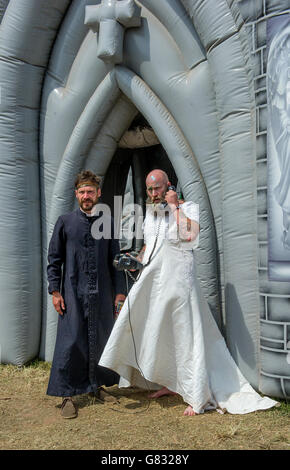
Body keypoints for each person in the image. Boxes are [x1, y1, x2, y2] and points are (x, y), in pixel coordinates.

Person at [99, 169, 278, 416]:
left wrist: (174, 207)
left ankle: (197, 394)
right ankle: (170, 384)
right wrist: (134, 260)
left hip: (180, 283)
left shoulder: (188, 207)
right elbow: (149, 247)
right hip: (154, 282)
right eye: (150, 189)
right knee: (161, 332)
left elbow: (191, 235)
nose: (153, 193)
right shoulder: (150, 215)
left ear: (168, 186)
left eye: (157, 188)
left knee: (185, 333)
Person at [46, 170, 126, 418]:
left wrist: (120, 292)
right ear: (76, 194)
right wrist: (55, 290)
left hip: (101, 292)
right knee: (70, 341)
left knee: (100, 339)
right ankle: (67, 395)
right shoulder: (65, 222)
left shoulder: (107, 223)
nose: (86, 195)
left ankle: (96, 387)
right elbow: (54, 259)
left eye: (90, 191)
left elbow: (116, 260)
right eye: (82, 192)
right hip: (72, 292)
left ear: (98, 193)